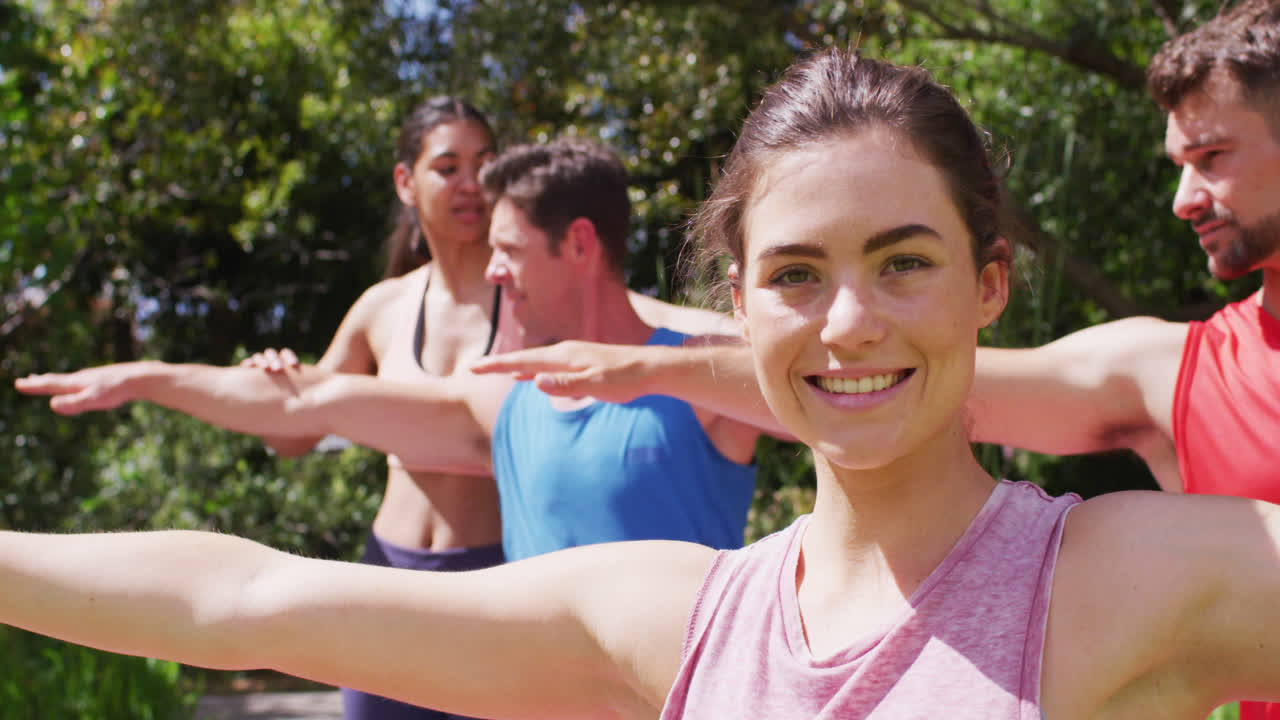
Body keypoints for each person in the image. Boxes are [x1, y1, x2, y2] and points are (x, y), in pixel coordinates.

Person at [9, 47, 1280, 719]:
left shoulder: (1129, 577)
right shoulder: (674, 621)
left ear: (987, 286)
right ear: (735, 302)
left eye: (903, 263)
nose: (847, 322)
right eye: (792, 272)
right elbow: (243, 595)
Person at [17, 137, 762, 564]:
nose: (493, 271)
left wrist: (649, 366)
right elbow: (306, 400)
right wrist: (150, 377)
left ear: (578, 244)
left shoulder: (705, 383)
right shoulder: (503, 401)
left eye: (507, 250)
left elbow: (834, 383)